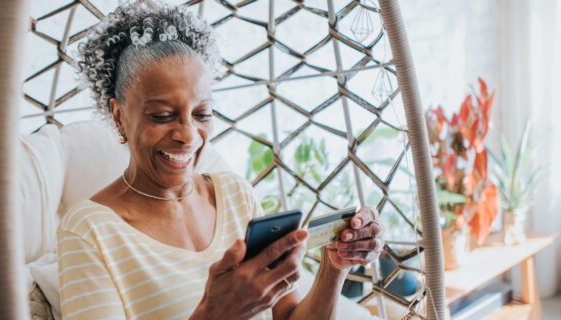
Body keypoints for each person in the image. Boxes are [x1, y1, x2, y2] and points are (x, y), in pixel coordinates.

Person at [57, 2, 385, 319]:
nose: (188, 135)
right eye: (162, 115)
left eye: (202, 114)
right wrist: (214, 315)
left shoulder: (234, 195)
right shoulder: (89, 232)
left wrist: (334, 266)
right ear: (119, 117)